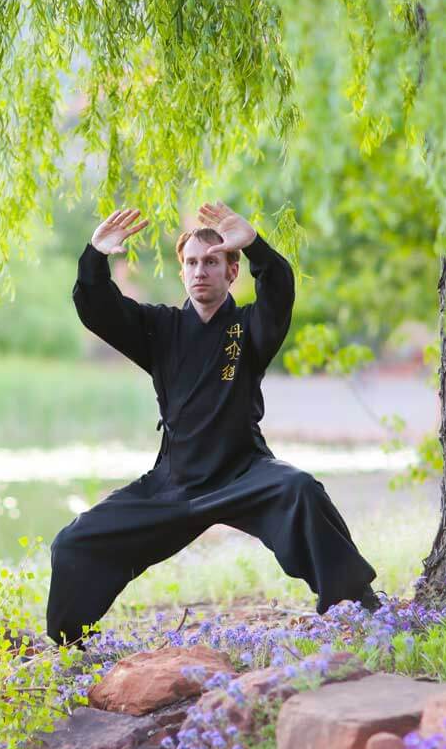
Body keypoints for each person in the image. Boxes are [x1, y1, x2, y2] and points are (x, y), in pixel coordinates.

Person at [46, 201, 380, 647]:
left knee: (300, 490)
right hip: (175, 481)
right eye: (191, 263)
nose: (200, 271)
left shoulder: (248, 330)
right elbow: (100, 310)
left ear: (231, 272)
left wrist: (257, 245)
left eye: (211, 262)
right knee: (74, 542)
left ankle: (355, 610)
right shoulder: (158, 328)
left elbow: (279, 293)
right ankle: (72, 642)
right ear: (182, 271)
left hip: (244, 473)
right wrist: (95, 256)